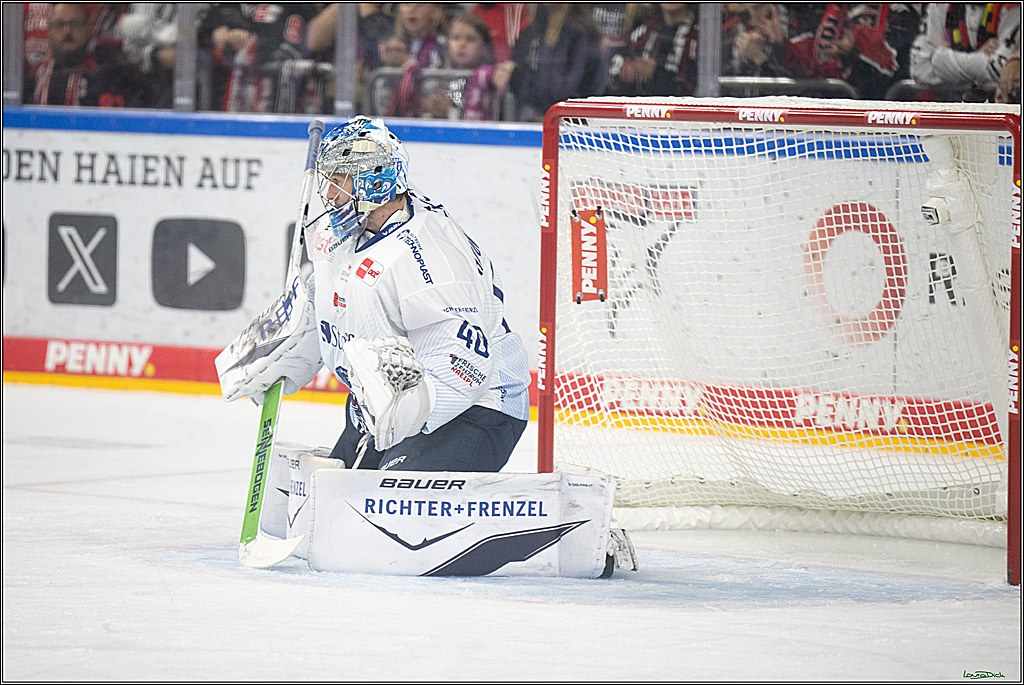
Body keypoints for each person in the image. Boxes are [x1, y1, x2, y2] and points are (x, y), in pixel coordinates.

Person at [221, 116, 531, 473]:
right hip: (387, 401)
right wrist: (288, 348)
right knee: (330, 510)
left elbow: (466, 368)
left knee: (393, 518)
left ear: (376, 182)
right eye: (328, 181)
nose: (329, 195)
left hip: (475, 410)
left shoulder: (429, 257)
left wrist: (396, 414)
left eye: (340, 181)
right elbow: (332, 299)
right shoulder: (348, 228)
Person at [492, 3, 604, 122]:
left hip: (570, 128)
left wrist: (516, 75)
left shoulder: (581, 35)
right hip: (531, 122)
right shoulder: (530, 33)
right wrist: (508, 73)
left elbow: (563, 92)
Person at [24, 2, 142, 107]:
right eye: (60, 24)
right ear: (49, 31)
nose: (67, 31)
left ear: (88, 29)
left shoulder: (111, 74)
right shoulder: (35, 76)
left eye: (74, 23)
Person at [910, 2, 1021, 101]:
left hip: (999, 112)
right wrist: (980, 57)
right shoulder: (939, 5)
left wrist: (940, 58)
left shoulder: (1013, 7)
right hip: (950, 109)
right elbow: (920, 68)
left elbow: (1004, 70)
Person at [605, 3, 699, 97]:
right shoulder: (641, 35)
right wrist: (628, 79)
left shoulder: (698, 39)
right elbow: (616, 91)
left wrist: (656, 73)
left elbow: (694, 93)